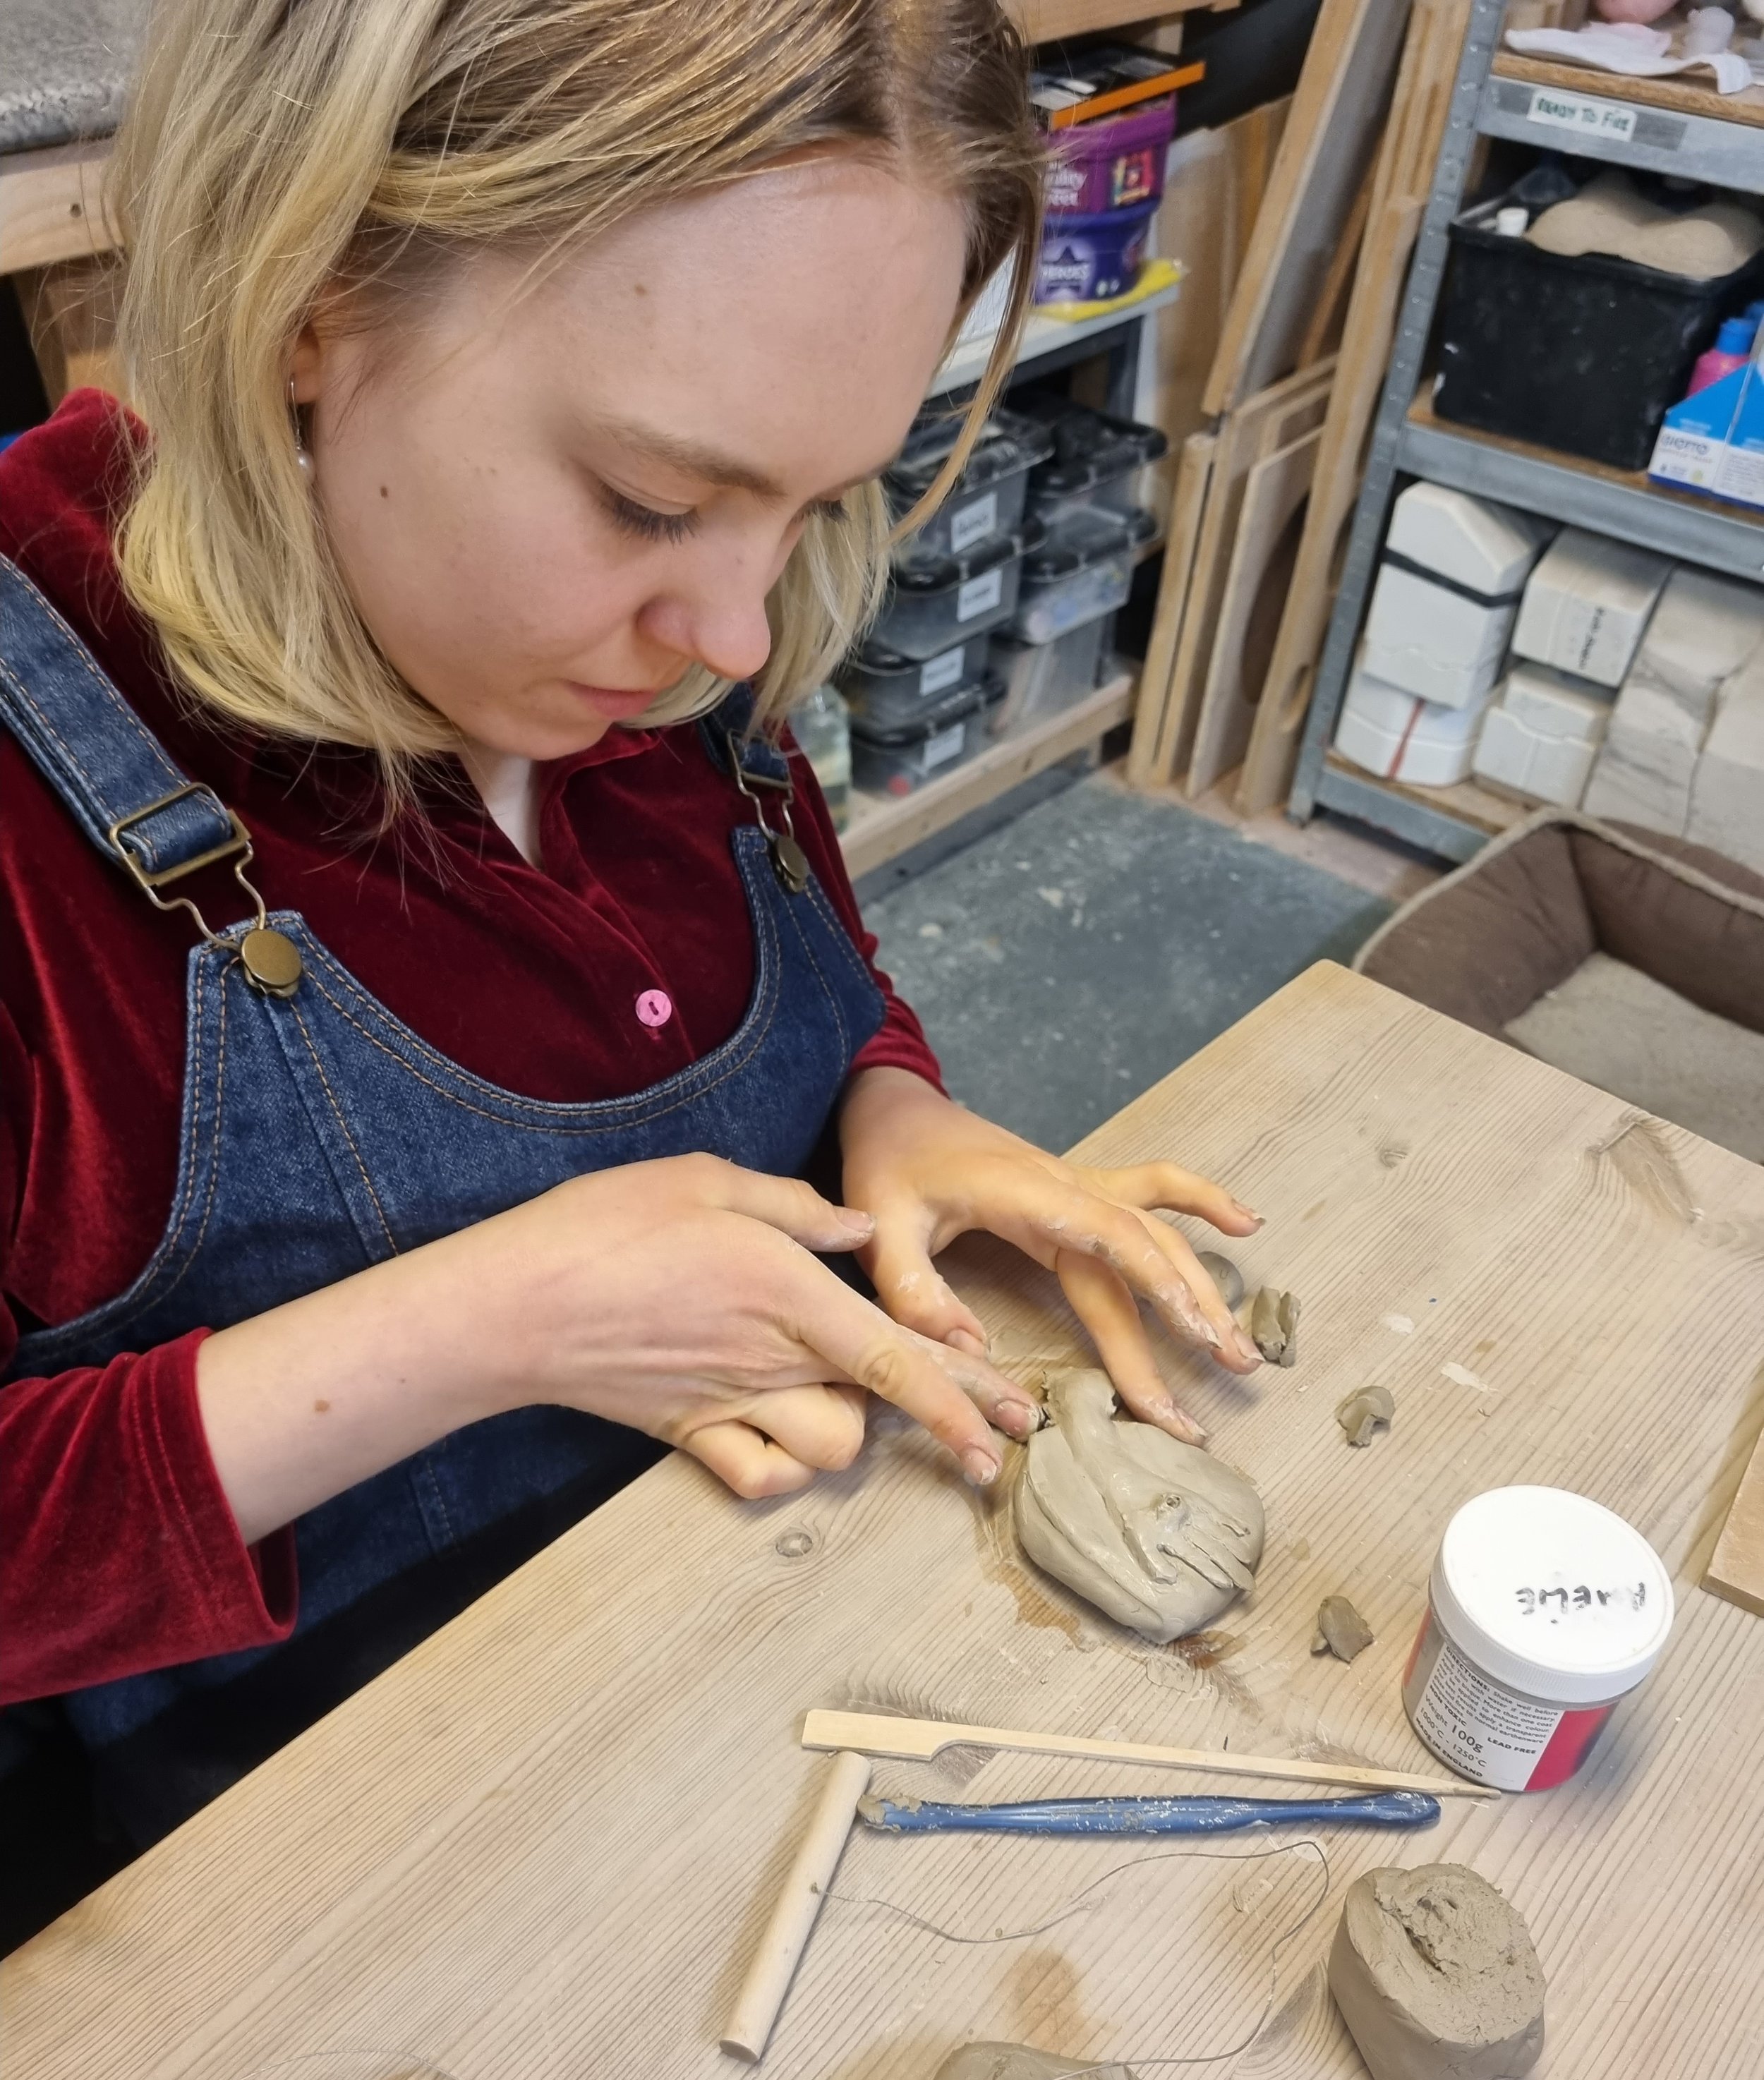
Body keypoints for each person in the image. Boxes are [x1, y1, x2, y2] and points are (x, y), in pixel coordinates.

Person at [0, 0, 1262, 1905]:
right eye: (655, 501)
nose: (737, 631)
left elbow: (784, 953)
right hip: (324, 1883)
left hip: (730, 1690)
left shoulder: (649, 632)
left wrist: (892, 1103)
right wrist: (491, 1324)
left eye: (813, 500)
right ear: (307, 297)